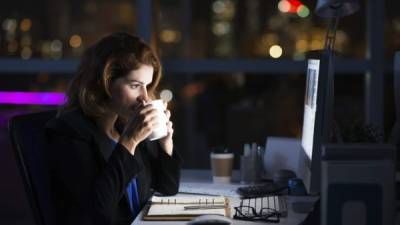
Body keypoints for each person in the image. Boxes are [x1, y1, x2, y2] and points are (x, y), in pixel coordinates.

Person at [45, 32, 181, 225]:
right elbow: (94, 214)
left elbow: (167, 187)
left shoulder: (123, 125)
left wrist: (165, 142)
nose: (145, 97)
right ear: (105, 83)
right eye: (135, 85)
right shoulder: (70, 132)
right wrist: (129, 142)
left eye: (147, 85)